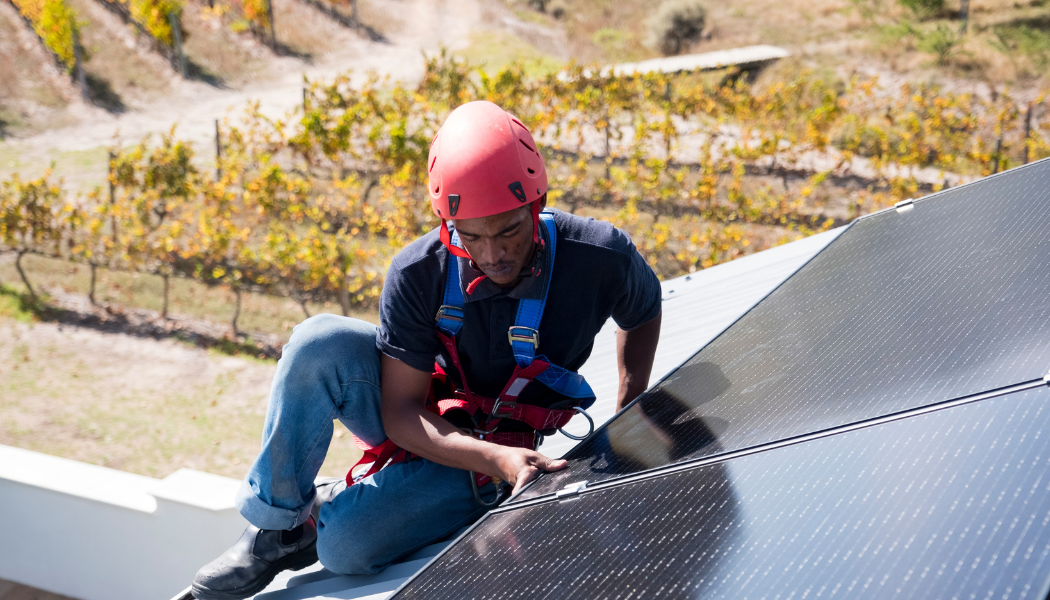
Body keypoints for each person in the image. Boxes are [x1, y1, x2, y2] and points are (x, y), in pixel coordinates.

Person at [190, 100, 663, 600]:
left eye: (509, 230)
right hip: (423, 413)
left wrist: (629, 412)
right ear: (448, 222)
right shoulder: (418, 273)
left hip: (503, 448)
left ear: (535, 203)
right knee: (318, 342)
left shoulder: (598, 255)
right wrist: (492, 457)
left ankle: (337, 509)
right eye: (471, 236)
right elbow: (399, 411)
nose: (493, 254)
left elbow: (643, 309)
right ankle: (278, 527)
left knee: (344, 548)